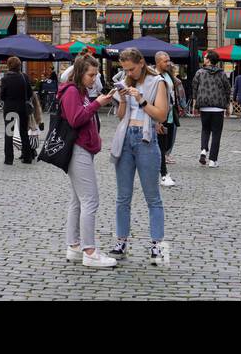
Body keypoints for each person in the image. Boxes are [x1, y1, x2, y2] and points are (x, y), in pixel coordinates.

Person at [106, 47, 169, 265]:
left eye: (131, 69)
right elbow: (121, 116)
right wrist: (123, 99)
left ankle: (157, 245)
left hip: (146, 140)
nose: (129, 73)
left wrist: (141, 99)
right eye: (125, 70)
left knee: (153, 197)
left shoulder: (158, 82)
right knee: (123, 196)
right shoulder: (126, 81)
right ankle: (121, 242)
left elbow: (162, 114)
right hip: (125, 139)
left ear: (141, 63)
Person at [60, 53, 118, 268]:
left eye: (95, 75)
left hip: (83, 149)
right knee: (90, 201)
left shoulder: (79, 91)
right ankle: (90, 251)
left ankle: (74, 246)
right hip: (78, 150)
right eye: (91, 75)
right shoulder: (72, 91)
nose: (94, 79)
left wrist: (98, 101)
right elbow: (76, 118)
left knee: (78, 200)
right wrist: (97, 104)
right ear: (80, 73)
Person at [191, 57, 232, 167]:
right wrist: (227, 105)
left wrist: (195, 105)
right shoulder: (222, 73)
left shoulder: (199, 72)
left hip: (204, 106)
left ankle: (203, 150)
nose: (203, 59)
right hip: (218, 107)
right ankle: (213, 160)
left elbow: (194, 88)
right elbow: (227, 89)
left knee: (205, 130)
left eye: (205, 58)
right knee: (216, 134)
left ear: (209, 60)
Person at [1, 57, 35, 164]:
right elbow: (30, 93)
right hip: (23, 108)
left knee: (9, 133)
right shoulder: (24, 77)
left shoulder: (5, 78)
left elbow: (2, 96)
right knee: (24, 132)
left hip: (10, 108)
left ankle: (9, 159)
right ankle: (27, 157)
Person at [155, 51, 179, 187]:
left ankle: (160, 172)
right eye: (165, 61)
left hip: (169, 114)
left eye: (169, 60)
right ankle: (163, 174)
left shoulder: (168, 75)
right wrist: (156, 120)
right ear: (158, 62)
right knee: (161, 146)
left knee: (167, 144)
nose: (168, 63)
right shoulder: (153, 76)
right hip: (159, 115)